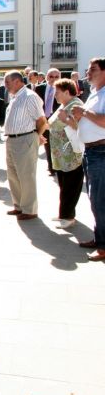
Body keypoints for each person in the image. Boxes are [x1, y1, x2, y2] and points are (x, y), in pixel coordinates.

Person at [2, 70, 48, 220]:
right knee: (13, 175)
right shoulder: (15, 97)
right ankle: (19, 206)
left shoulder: (29, 97)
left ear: (17, 81)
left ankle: (30, 210)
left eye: (7, 82)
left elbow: (41, 121)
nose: (5, 85)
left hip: (25, 139)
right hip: (12, 140)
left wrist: (36, 136)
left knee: (26, 176)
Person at [72, 57, 105, 261]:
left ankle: (103, 246)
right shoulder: (95, 93)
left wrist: (84, 112)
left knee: (100, 200)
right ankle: (99, 238)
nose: (88, 72)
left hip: (101, 152)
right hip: (91, 152)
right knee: (95, 199)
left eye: (93, 69)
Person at [47, 78, 85, 229]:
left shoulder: (76, 105)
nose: (55, 95)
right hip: (61, 156)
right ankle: (64, 213)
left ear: (67, 92)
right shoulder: (64, 104)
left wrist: (67, 119)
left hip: (72, 156)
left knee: (71, 186)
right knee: (64, 185)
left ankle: (68, 216)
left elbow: (81, 126)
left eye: (57, 92)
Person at [35, 68, 62, 175]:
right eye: (51, 76)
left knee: (57, 144)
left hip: (57, 120)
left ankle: (58, 166)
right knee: (47, 144)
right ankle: (51, 168)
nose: (54, 79)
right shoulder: (39, 88)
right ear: (46, 77)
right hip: (43, 119)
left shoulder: (63, 88)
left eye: (56, 76)